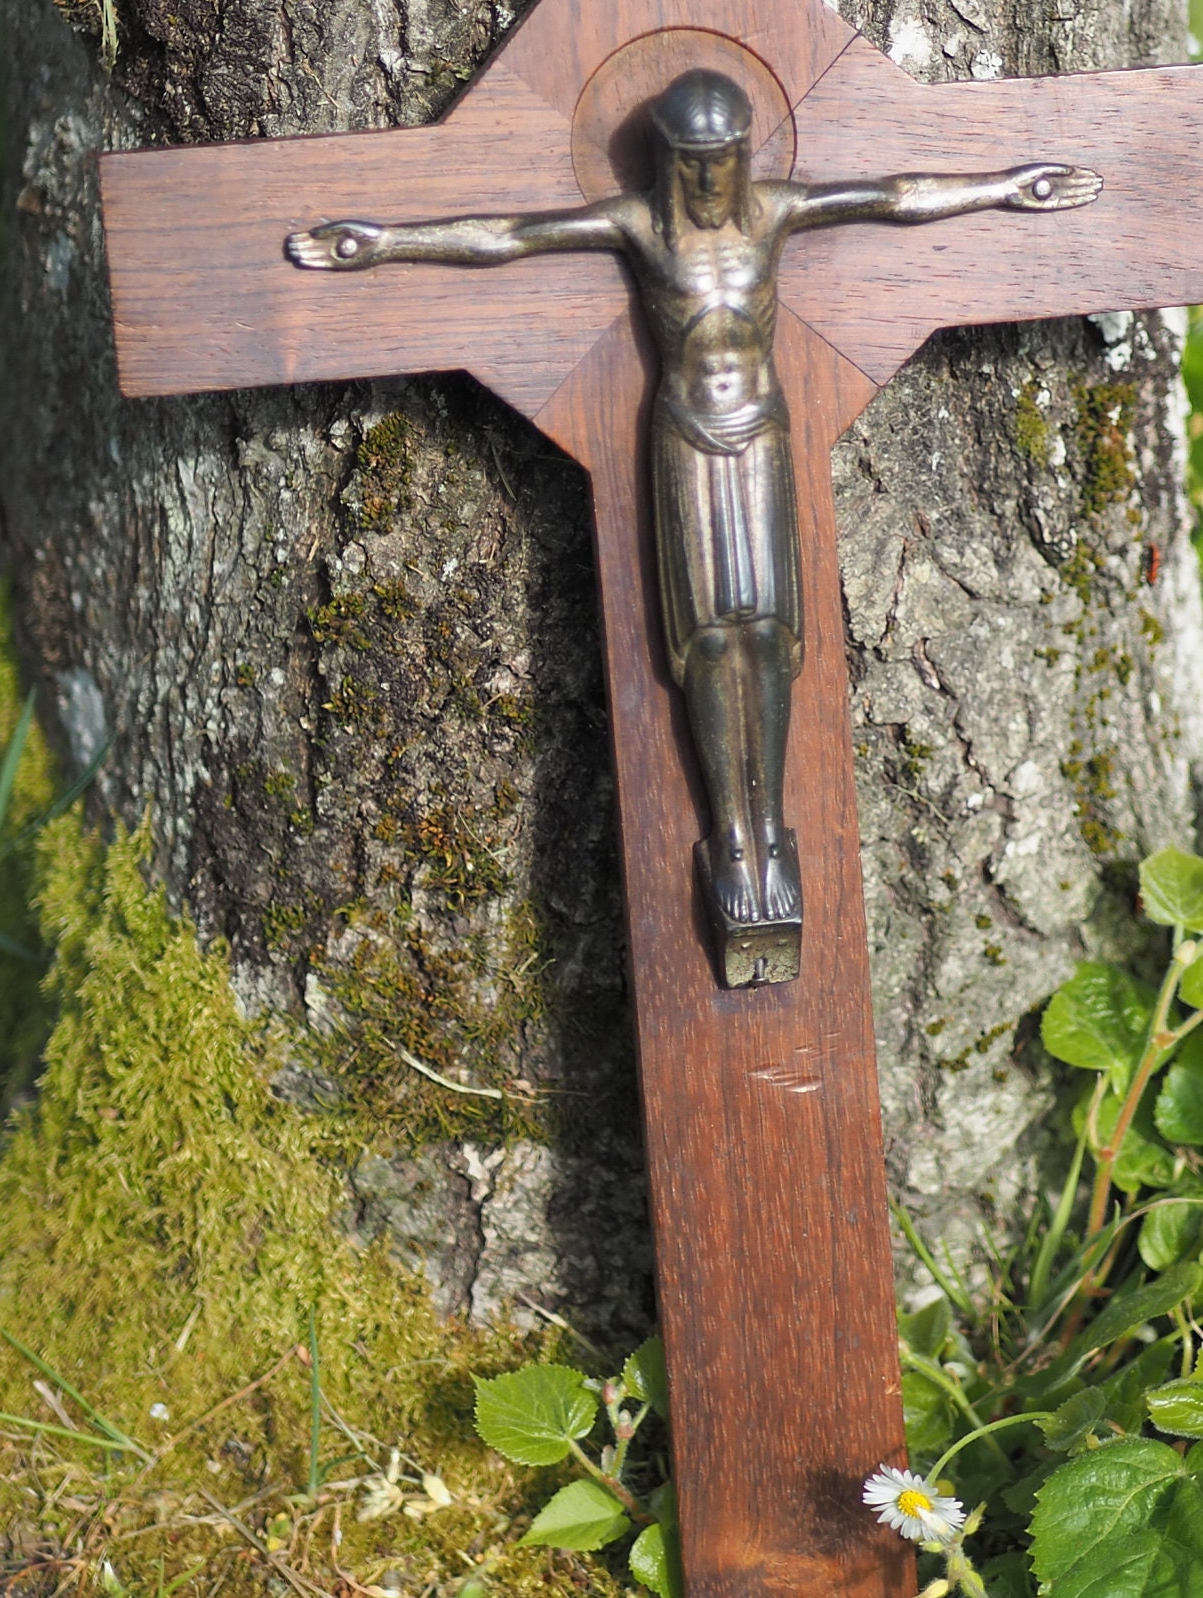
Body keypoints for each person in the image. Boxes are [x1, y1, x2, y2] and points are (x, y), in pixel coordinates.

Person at [287, 68, 1098, 985]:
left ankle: (773, 831)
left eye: (728, 158)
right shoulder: (639, 225)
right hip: (683, 434)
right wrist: (385, 242)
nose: (717, 176)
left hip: (762, 431)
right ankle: (732, 838)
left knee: (772, 631)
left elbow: (893, 198)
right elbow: (509, 239)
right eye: (699, 162)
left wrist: (1005, 186)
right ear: (671, 162)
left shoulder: (772, 212)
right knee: (708, 637)